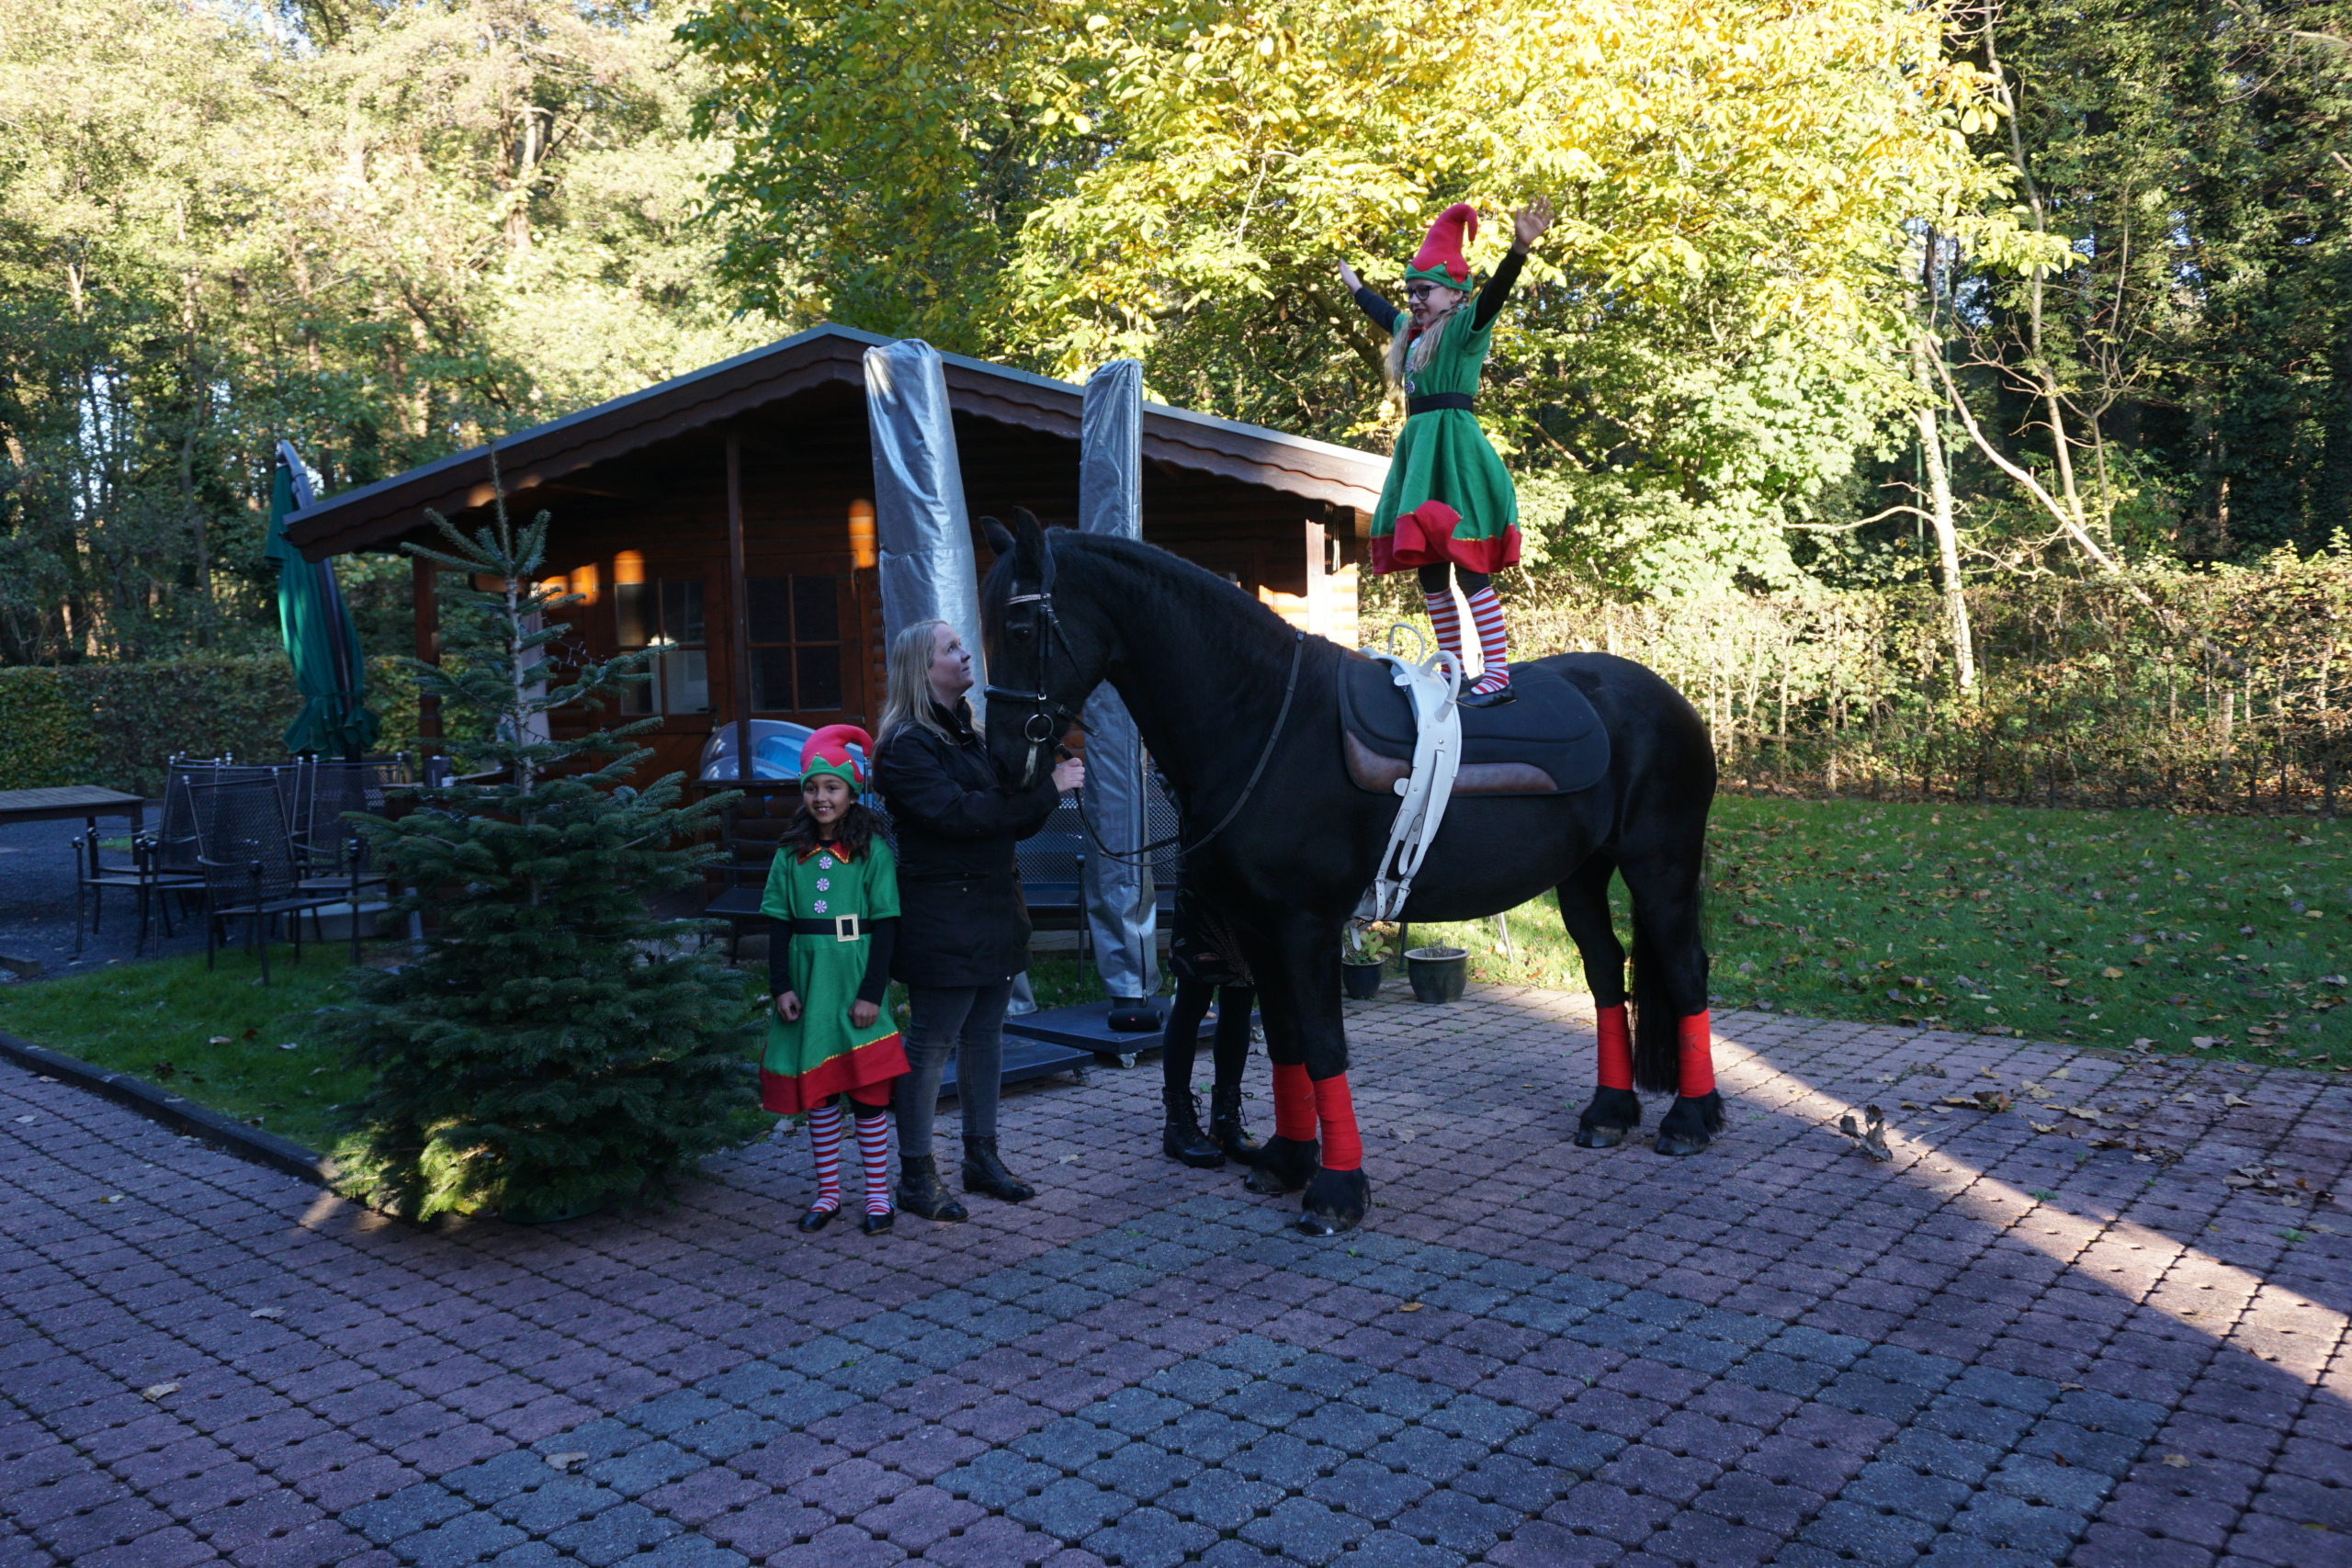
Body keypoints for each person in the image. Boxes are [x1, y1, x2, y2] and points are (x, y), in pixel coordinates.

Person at [873, 618, 1083, 1220]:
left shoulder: (972, 735)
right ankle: (916, 1175)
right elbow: (959, 814)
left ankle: (980, 1158)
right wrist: (1047, 790)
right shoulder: (906, 745)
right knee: (931, 1042)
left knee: (986, 1035)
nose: (966, 655)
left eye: (962, 645)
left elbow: (1011, 821)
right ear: (922, 669)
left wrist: (1043, 784)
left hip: (993, 908)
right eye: (951, 649)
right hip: (942, 915)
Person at [1339, 197, 1555, 706]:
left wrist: (1519, 249)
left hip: (1454, 455)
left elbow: (1495, 296)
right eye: (1411, 291)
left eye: (1425, 290)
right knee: (1430, 569)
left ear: (1455, 293)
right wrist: (1355, 287)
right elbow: (1382, 312)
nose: (1415, 300)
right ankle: (1452, 671)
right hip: (1420, 459)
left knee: (1469, 563)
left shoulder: (1462, 329)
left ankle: (1496, 674)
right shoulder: (1410, 335)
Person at [759, 724, 906, 1235]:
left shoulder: (872, 852)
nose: (821, 797)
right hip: (807, 983)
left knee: (867, 1091)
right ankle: (828, 1194)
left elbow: (886, 924)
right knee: (819, 1093)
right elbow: (778, 923)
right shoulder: (788, 854)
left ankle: (878, 1196)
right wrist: (781, 985)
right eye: (812, 787)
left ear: (852, 792)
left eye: (832, 787)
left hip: (853, 977)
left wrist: (871, 993)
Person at [1158, 879, 1263, 1169]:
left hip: (1248, 883)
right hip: (1202, 879)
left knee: (1240, 1002)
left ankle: (1225, 1122)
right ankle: (1177, 1126)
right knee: (1192, 1000)